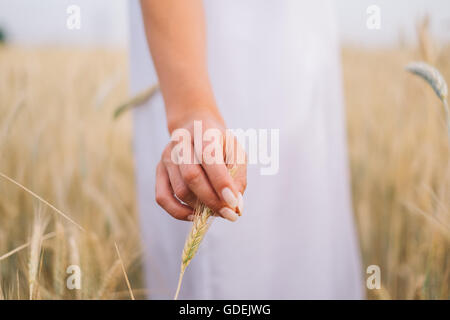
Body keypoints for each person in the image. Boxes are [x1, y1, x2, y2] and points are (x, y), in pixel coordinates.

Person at [129, 0, 363, 299]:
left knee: (312, 255)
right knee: (232, 266)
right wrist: (190, 108)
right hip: (201, 51)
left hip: (301, 43)